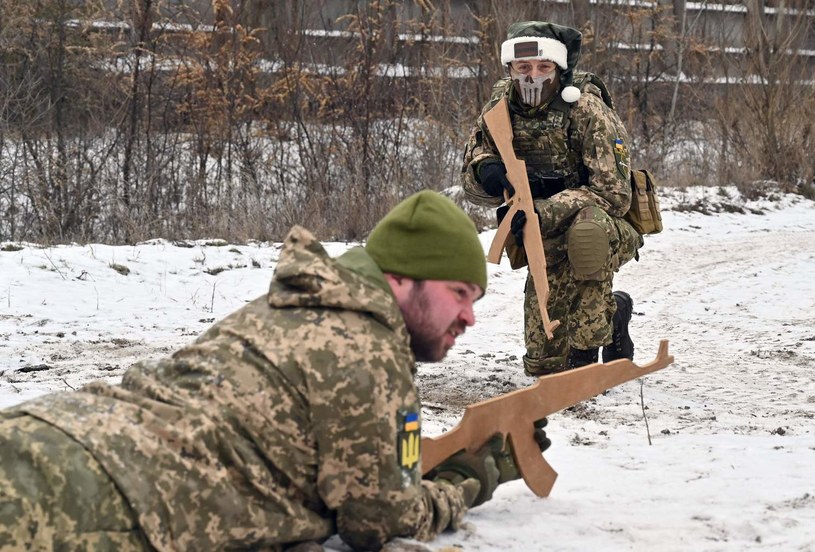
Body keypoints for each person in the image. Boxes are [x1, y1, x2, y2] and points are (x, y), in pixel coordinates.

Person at [0, 191, 549, 551]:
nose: (469, 317)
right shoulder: (371, 352)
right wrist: (467, 481)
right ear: (402, 279)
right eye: (459, 293)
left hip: (52, 430)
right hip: (101, 502)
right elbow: (379, 519)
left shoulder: (282, 308)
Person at [461, 21, 643, 376]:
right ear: (510, 68)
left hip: (600, 225)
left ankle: (592, 344)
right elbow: (472, 169)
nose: (533, 76)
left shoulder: (586, 109)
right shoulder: (500, 107)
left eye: (544, 67)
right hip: (541, 231)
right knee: (543, 366)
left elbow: (614, 194)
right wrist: (487, 170)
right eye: (523, 67)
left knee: (586, 239)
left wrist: (544, 211)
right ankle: (613, 314)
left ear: (559, 68)